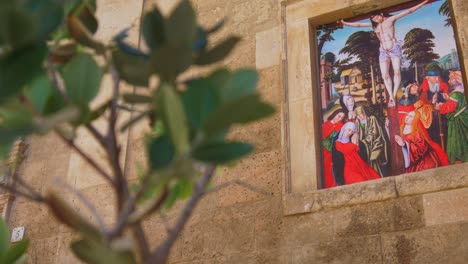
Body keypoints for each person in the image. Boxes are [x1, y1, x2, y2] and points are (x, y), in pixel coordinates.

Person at [340, 0, 429, 107]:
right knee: (384, 75)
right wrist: (344, 23)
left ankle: (393, 95)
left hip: (394, 49)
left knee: (396, 72)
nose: (376, 20)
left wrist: (424, 2)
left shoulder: (391, 19)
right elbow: (359, 25)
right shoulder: (375, 26)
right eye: (373, 19)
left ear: (381, 14)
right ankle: (391, 96)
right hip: (383, 51)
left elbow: (409, 11)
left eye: (377, 17)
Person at [435, 70, 468, 164]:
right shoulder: (462, 90)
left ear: (456, 80)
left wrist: (440, 106)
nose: (449, 81)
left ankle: (458, 159)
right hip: (463, 118)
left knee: (457, 141)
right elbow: (457, 104)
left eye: (450, 79)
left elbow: (449, 108)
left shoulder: (456, 93)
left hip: (458, 123)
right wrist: (448, 98)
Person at [355, 106, 389, 176]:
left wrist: (364, 142)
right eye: (357, 116)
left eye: (360, 114)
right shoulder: (357, 122)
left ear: (364, 113)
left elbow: (374, 132)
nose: (360, 117)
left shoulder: (372, 119)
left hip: (373, 143)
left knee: (373, 162)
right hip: (363, 145)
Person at [420, 70, 449, 148]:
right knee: (434, 134)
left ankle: (445, 149)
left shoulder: (442, 87)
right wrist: (432, 101)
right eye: (434, 77)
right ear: (428, 78)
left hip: (443, 114)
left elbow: (448, 99)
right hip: (431, 116)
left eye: (437, 77)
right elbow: (422, 103)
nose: (436, 79)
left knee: (445, 131)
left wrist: (445, 99)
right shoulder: (424, 90)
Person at [322, 109, 345, 188]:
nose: (339, 119)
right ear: (334, 114)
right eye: (339, 116)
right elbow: (323, 139)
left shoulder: (341, 126)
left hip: (336, 151)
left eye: (341, 118)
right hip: (326, 152)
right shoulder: (325, 125)